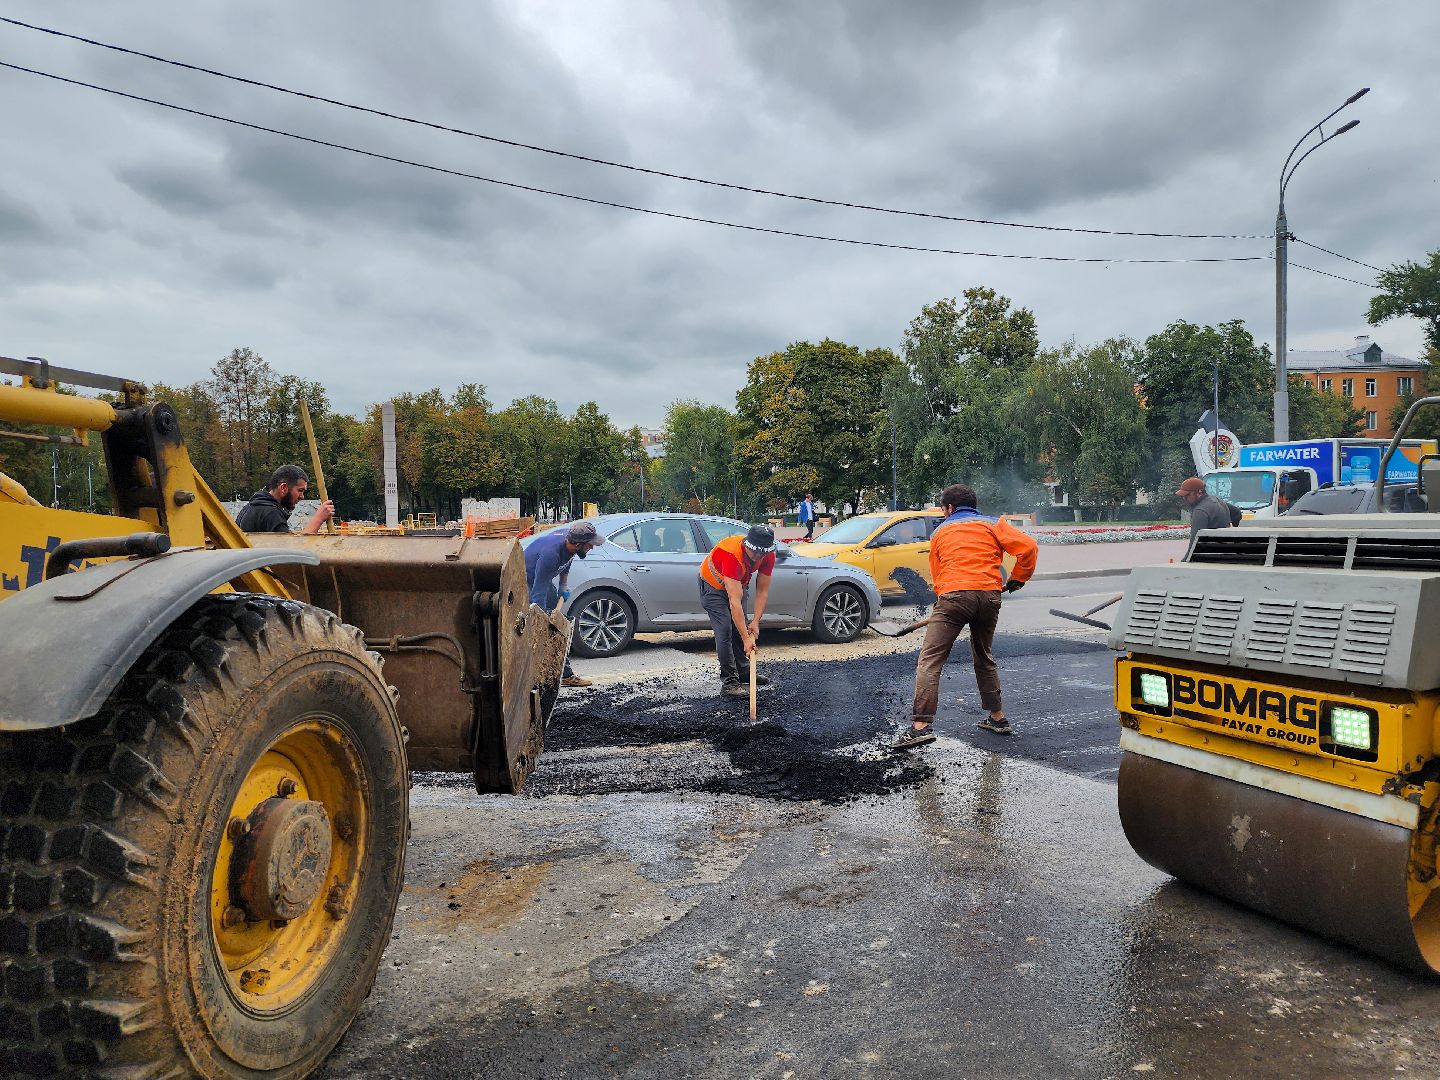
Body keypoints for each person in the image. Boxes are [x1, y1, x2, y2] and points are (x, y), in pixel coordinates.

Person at [894, 483, 1038, 749]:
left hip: (954, 596)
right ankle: (998, 718)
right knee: (984, 657)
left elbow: (938, 575)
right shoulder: (995, 524)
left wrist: (946, 604)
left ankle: (920, 727)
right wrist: (1019, 578)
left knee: (930, 660)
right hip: (989, 596)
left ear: (949, 508)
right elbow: (1028, 547)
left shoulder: (940, 532)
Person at [698, 524, 777, 698]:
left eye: (762, 553)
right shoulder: (731, 554)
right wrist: (747, 640)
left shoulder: (768, 555)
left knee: (741, 625)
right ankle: (729, 682)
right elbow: (734, 603)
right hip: (713, 586)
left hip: (738, 584)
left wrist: (756, 621)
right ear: (747, 544)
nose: (758, 556)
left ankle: (743, 671)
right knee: (725, 630)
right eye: (755, 552)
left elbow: (762, 591)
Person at [524, 521, 602, 688]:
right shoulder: (550, 555)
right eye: (590, 545)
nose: (592, 548)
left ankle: (565, 675)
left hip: (541, 578)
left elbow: (566, 563)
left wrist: (562, 586)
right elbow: (538, 592)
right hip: (527, 581)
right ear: (578, 544)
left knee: (557, 625)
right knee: (548, 627)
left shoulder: (572, 543)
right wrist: (543, 618)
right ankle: (535, 677)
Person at [235, 464, 335, 534]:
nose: (302, 496)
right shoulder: (271, 514)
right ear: (283, 488)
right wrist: (319, 519)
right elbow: (292, 553)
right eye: (300, 490)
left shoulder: (251, 507)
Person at [1176, 476, 1233, 557]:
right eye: (1183, 496)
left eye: (1187, 495)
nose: (1184, 498)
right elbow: (1237, 513)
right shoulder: (1217, 500)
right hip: (1227, 551)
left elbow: (1195, 544)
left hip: (1211, 556)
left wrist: (1184, 562)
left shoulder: (1200, 511)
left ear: (1199, 493)